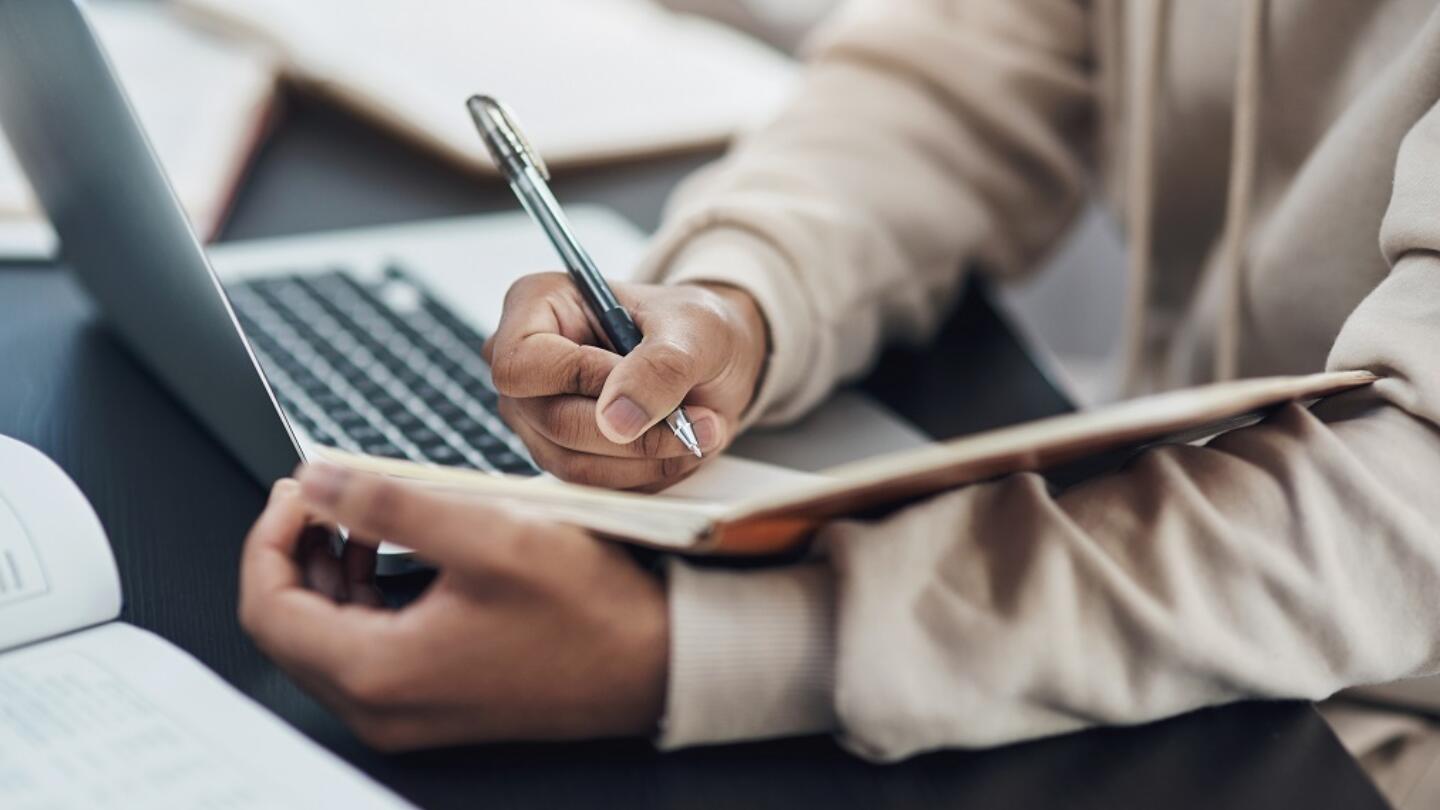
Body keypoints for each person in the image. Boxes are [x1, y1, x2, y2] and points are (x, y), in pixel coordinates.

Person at [240, 0, 1440, 804]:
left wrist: (695, 655)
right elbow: (956, 74)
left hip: (1373, 741)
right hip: (1116, 615)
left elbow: (1401, 514)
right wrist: (738, 297)